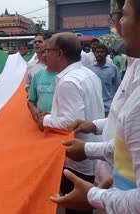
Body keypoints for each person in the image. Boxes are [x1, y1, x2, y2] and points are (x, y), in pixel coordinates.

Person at [50, 0, 140, 213]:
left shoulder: (70, 81)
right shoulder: (134, 64)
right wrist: (92, 131)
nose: (118, 24)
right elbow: (124, 129)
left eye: (124, 15)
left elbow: (68, 120)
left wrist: (93, 196)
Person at [37, 32, 104, 214]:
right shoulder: (88, 74)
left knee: (75, 208)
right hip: (89, 153)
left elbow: (71, 122)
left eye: (47, 51)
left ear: (59, 54)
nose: (44, 55)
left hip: (76, 160)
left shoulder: (69, 81)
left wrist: (46, 119)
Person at [27, 38, 57, 122]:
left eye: (47, 51)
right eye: (43, 52)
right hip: (41, 122)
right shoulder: (37, 75)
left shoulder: (64, 75)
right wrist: (33, 109)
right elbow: (31, 101)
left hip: (60, 124)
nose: (44, 55)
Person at [88, 44, 121, 117]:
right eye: (97, 52)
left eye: (102, 52)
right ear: (94, 54)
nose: (99, 54)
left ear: (106, 54)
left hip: (108, 107)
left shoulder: (113, 68)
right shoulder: (89, 69)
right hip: (94, 107)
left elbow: (118, 87)